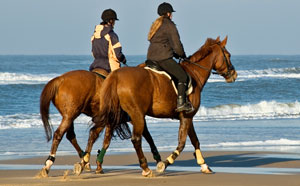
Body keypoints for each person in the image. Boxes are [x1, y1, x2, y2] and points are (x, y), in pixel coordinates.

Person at [147, 2, 193, 113]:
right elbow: (176, 44)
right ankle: (181, 102)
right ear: (168, 13)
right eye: (171, 13)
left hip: (150, 57)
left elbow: (162, 42)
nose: (172, 15)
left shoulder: (156, 25)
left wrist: (174, 53)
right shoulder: (169, 25)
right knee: (183, 76)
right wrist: (182, 55)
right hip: (163, 58)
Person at [89, 9, 126, 73]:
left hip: (95, 66)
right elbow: (118, 55)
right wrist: (123, 59)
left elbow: (93, 53)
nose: (114, 23)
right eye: (114, 21)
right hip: (110, 68)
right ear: (111, 21)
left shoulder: (94, 36)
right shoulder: (112, 35)